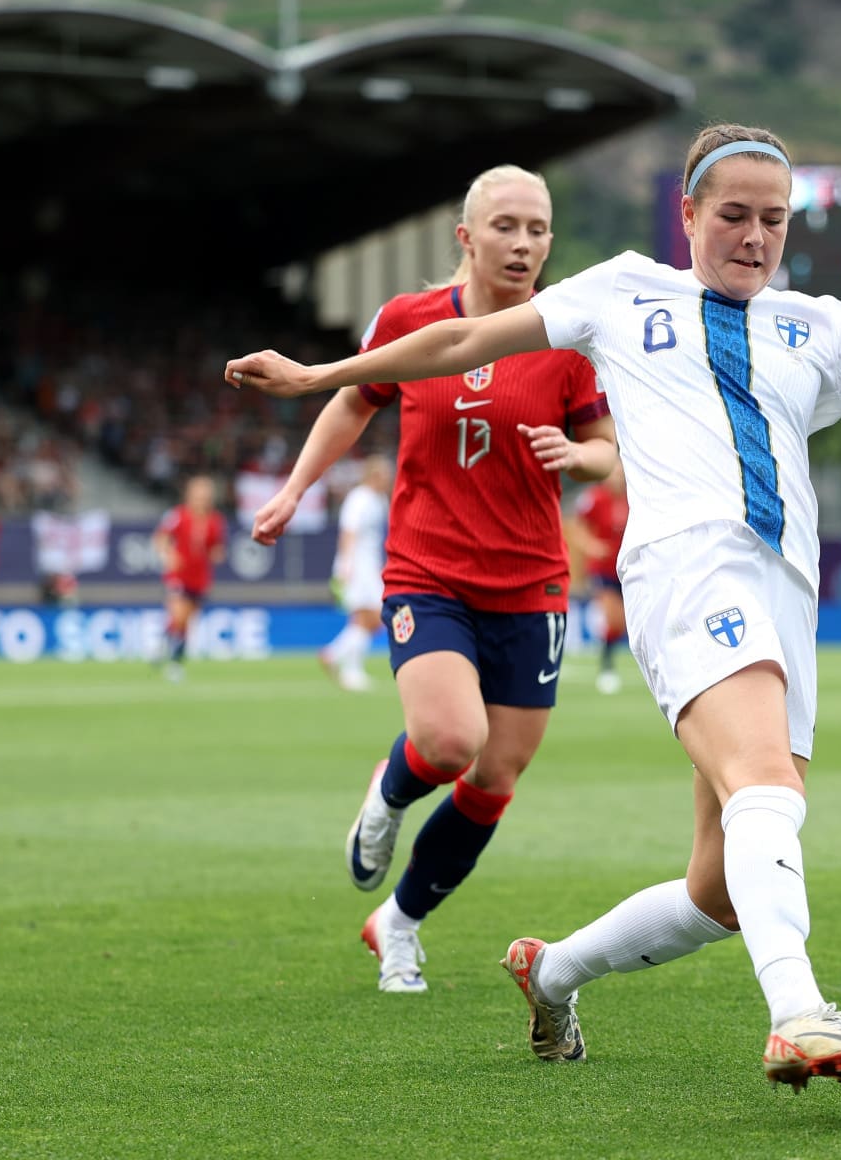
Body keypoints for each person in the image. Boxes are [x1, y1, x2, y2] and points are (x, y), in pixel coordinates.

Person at [224, 123, 841, 1087]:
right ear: (688, 214)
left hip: (784, 594)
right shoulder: (621, 292)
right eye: (733, 214)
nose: (755, 237)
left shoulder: (821, 325)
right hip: (687, 572)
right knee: (770, 783)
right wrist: (322, 375)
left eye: (773, 220)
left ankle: (553, 972)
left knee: (721, 887)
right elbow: (464, 337)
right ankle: (798, 1013)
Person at [247, 164, 617, 994]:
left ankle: (400, 923)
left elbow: (608, 451)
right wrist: (295, 487)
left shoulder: (565, 335)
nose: (524, 244)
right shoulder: (409, 321)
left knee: (496, 778)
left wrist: (581, 457)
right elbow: (354, 399)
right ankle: (385, 799)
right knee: (452, 744)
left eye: (539, 229)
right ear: (467, 236)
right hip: (430, 574)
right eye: (506, 227)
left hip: (531, 586)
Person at [319, 454, 393, 692]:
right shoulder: (359, 499)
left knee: (364, 619)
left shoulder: (379, 500)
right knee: (373, 616)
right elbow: (349, 533)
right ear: (374, 475)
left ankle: (340, 660)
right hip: (357, 565)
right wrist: (344, 566)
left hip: (371, 565)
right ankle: (342, 661)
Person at [152, 474, 227, 682]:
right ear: (190, 494)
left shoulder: (215, 520)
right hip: (179, 575)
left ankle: (165, 648)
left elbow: (216, 547)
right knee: (179, 615)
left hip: (200, 577)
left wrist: (217, 554)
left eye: (206, 493)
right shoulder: (178, 515)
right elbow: (161, 538)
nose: (203, 496)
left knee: (187, 622)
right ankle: (173, 662)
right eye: (199, 492)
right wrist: (168, 555)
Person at [572, 462, 629, 694]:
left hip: (628, 568)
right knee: (613, 619)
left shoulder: (633, 497)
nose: (617, 476)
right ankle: (607, 668)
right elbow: (577, 526)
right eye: (613, 472)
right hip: (604, 570)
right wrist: (591, 545)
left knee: (627, 622)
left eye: (620, 472)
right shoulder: (594, 499)